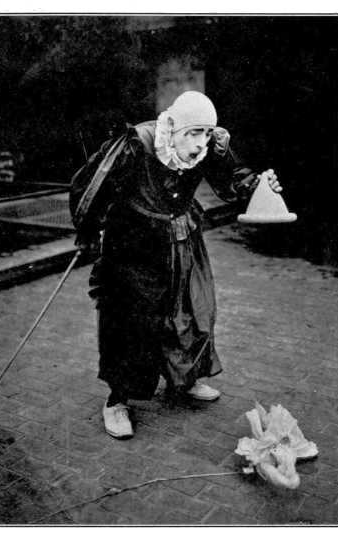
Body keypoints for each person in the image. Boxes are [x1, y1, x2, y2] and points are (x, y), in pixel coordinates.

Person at [70, 91, 282, 439]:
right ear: (174, 127)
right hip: (134, 243)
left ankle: (184, 380)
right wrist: (90, 229)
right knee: (132, 319)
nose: (200, 143)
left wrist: (258, 186)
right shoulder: (137, 144)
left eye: (206, 133)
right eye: (194, 133)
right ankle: (117, 400)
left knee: (191, 310)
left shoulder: (206, 147)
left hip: (183, 238)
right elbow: (93, 186)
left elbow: (231, 178)